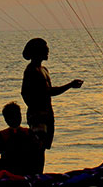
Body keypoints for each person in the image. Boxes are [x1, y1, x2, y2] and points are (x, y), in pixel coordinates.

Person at [21, 38, 83, 173]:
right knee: (38, 149)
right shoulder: (31, 70)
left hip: (47, 114)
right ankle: (37, 175)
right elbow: (35, 92)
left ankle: (38, 175)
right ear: (38, 52)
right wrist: (70, 85)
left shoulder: (43, 69)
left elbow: (46, 92)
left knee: (42, 147)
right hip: (39, 116)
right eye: (45, 48)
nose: (48, 50)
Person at [0, 102, 41, 176]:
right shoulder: (29, 133)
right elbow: (38, 155)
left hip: (14, 173)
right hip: (22, 173)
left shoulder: (3, 135)